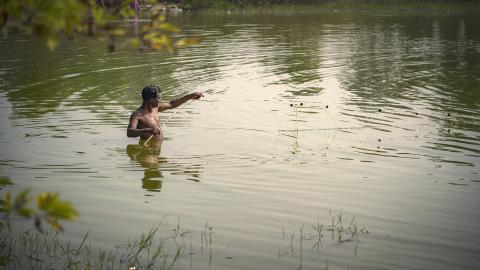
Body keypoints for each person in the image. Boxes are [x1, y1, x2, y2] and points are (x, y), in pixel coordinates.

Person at [127, 85, 203, 140]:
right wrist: (148, 130)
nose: (160, 100)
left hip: (158, 146)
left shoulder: (156, 108)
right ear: (151, 100)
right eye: (158, 98)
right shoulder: (137, 115)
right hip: (148, 149)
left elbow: (172, 104)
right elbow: (130, 132)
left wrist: (190, 96)